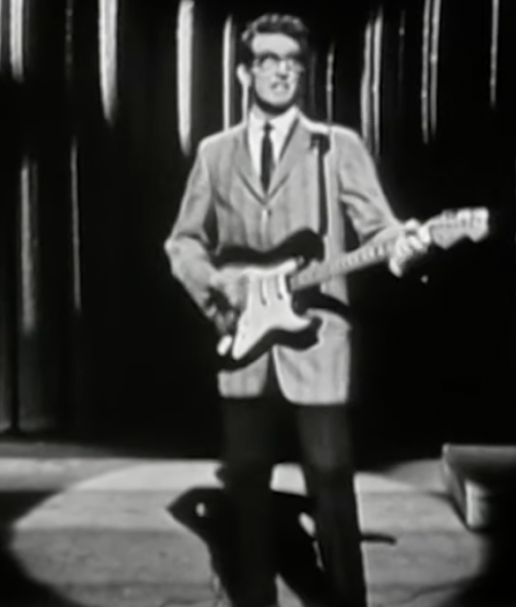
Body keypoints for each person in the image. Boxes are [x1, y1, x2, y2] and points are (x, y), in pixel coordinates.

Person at [164, 13, 429, 607]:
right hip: (242, 345)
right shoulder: (215, 153)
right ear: (243, 72)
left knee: (332, 484)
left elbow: (382, 231)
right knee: (249, 487)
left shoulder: (338, 147)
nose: (283, 72)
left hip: (319, 341)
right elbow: (182, 242)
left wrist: (406, 248)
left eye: (293, 63)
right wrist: (219, 289)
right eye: (269, 60)